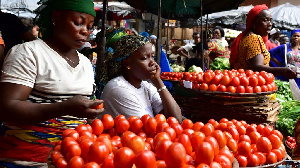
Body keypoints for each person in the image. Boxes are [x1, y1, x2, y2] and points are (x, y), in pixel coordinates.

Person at [0, 0, 104, 124]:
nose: (85, 31)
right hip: (31, 141)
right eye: (78, 23)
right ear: (56, 17)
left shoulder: (86, 64)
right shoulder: (28, 53)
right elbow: (7, 109)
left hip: (79, 140)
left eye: (89, 27)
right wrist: (62, 108)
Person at [98, 35, 182, 122]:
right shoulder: (118, 88)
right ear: (127, 63)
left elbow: (176, 119)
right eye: (145, 58)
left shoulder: (145, 85)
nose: (152, 62)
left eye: (152, 56)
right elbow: (148, 127)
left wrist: (158, 81)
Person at [230, 4, 296, 80]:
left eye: (270, 20)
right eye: (265, 20)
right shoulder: (253, 38)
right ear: (254, 23)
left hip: (245, 82)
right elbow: (257, 67)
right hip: (251, 84)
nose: (270, 24)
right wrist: (284, 70)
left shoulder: (247, 37)